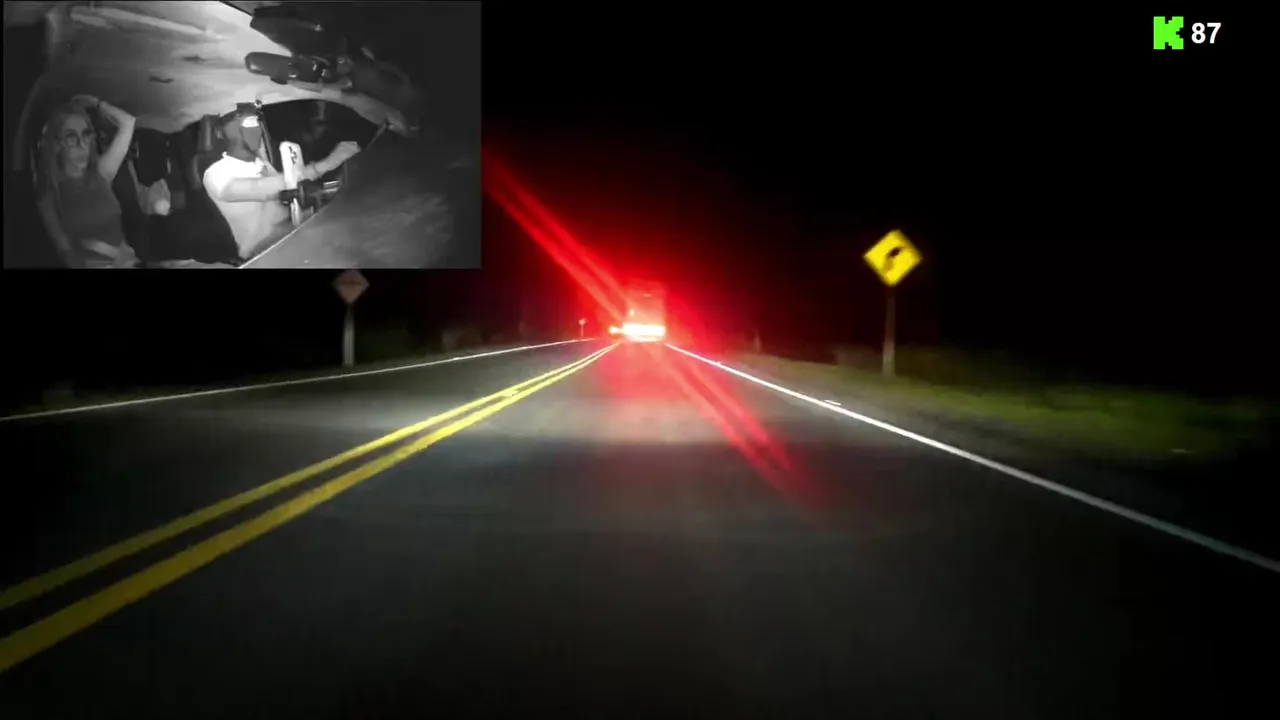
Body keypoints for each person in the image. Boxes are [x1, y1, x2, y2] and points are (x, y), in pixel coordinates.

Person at [202, 108, 362, 261]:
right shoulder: (215, 173)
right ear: (221, 133)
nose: (253, 129)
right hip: (261, 248)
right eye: (245, 123)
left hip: (292, 229)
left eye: (255, 122)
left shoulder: (261, 163)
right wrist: (329, 162)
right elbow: (261, 188)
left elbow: (290, 191)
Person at [35, 95, 141, 268]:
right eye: (71, 137)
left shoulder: (101, 173)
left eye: (86, 135)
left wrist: (96, 103)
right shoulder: (49, 196)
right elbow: (67, 254)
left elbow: (128, 123)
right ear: (57, 144)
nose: (82, 145)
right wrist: (110, 255)